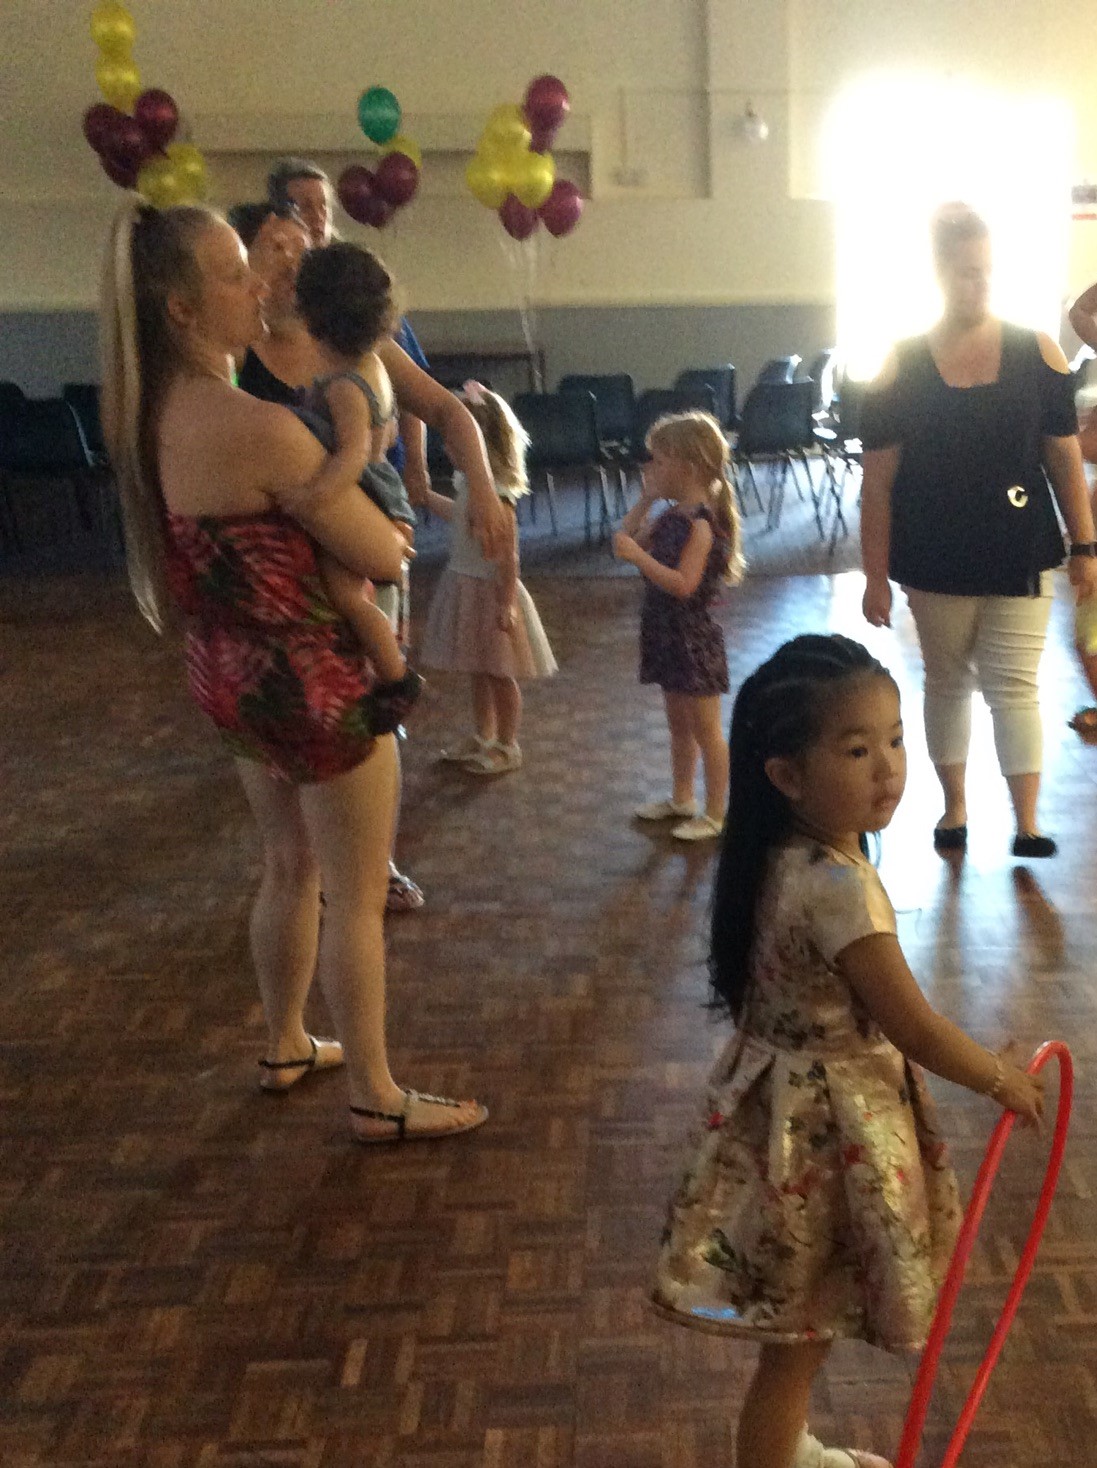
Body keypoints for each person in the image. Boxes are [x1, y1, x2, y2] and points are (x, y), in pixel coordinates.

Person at [100, 199, 488, 1143]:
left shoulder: (148, 413)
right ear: (183, 309)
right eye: (236, 273)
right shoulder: (260, 428)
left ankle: (284, 1043)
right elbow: (386, 554)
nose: (262, 285)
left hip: (229, 676)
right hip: (318, 686)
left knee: (286, 866)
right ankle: (377, 1096)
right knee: (353, 896)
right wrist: (385, 521)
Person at [652, 633, 1044, 1468]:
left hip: (774, 1119)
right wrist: (998, 1078)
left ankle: (789, 1451)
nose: (888, 768)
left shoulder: (771, 856)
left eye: (894, 740)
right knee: (796, 1346)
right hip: (826, 1137)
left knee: (799, 1331)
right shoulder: (839, 889)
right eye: (856, 749)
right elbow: (914, 1027)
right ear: (786, 775)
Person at [235, 183, 509, 910]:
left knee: (369, 709)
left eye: (299, 245)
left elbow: (449, 411)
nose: (290, 257)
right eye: (273, 246)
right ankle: (302, 867)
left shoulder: (357, 344)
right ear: (245, 262)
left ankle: (371, 862)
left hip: (363, 550)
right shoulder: (233, 356)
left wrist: (481, 490)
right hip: (276, 574)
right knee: (291, 724)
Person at [861, 203, 1097, 859]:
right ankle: (954, 807)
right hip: (933, 552)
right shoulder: (899, 364)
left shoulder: (1037, 351)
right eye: (967, 272)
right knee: (946, 681)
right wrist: (875, 576)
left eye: (988, 271)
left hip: (1022, 548)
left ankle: (1027, 822)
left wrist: (1085, 546)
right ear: (938, 273)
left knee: (1015, 685)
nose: (980, 283)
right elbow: (876, 484)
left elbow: (1063, 459)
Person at [266, 157, 432, 505]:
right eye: (304, 206)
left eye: (323, 205)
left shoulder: (358, 290)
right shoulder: (273, 301)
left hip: (363, 484)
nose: (317, 215)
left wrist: (417, 465)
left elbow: (415, 397)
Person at [292, 240, 420, 686]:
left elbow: (354, 454)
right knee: (368, 601)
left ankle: (395, 678)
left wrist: (311, 498)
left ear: (314, 319)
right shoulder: (374, 364)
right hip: (384, 493)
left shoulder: (345, 385)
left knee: (348, 597)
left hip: (371, 497)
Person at [613, 412, 744, 841]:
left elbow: (684, 585)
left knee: (706, 731)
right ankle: (683, 797)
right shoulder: (669, 516)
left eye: (658, 460)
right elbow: (624, 541)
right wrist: (645, 500)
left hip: (691, 639)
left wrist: (639, 558)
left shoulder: (701, 526)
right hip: (666, 634)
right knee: (679, 727)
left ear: (686, 468)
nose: (649, 467)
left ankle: (717, 813)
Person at [416, 383, 557, 774]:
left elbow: (509, 557)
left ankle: (508, 744)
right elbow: (460, 516)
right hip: (465, 583)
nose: (447, 448)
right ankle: (483, 735)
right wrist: (428, 497)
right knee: (477, 669)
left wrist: (507, 602)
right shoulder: (468, 486)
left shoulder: (499, 497)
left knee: (499, 673)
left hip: (490, 591)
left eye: (455, 442)